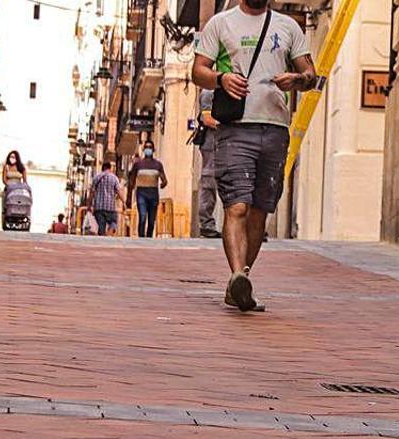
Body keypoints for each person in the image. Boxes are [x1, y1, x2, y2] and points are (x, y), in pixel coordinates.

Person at [192, 0, 317, 311]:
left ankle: (241, 283)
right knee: (237, 205)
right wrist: (221, 79)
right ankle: (236, 275)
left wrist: (296, 80)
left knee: (260, 212)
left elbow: (312, 74)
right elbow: (198, 71)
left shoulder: (289, 27)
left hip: (275, 128)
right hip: (235, 127)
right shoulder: (220, 23)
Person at [128, 140, 168, 238]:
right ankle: (141, 237)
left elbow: (164, 179)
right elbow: (132, 181)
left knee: (151, 220)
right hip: (141, 193)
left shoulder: (158, 165)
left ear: (153, 150)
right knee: (142, 216)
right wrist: (128, 197)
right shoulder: (138, 165)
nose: (148, 149)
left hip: (153, 193)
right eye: (146, 147)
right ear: (143, 149)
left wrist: (163, 183)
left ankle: (149, 237)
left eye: (150, 147)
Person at [196, 90, 222, 239]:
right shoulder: (208, 94)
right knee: (209, 183)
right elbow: (207, 119)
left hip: (225, 143)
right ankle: (206, 224)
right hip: (211, 145)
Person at [88, 161, 126, 236]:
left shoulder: (96, 177)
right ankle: (109, 233)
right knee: (113, 222)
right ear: (110, 168)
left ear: (103, 168)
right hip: (110, 207)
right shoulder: (114, 178)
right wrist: (124, 202)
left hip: (99, 208)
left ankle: (103, 239)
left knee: (101, 227)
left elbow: (91, 193)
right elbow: (119, 191)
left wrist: (89, 205)